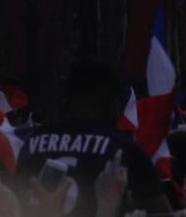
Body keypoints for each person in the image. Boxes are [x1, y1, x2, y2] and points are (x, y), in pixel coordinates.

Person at [13, 64, 172, 217]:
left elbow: (16, 199)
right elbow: (161, 211)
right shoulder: (124, 149)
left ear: (67, 99)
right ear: (112, 102)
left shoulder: (34, 140)